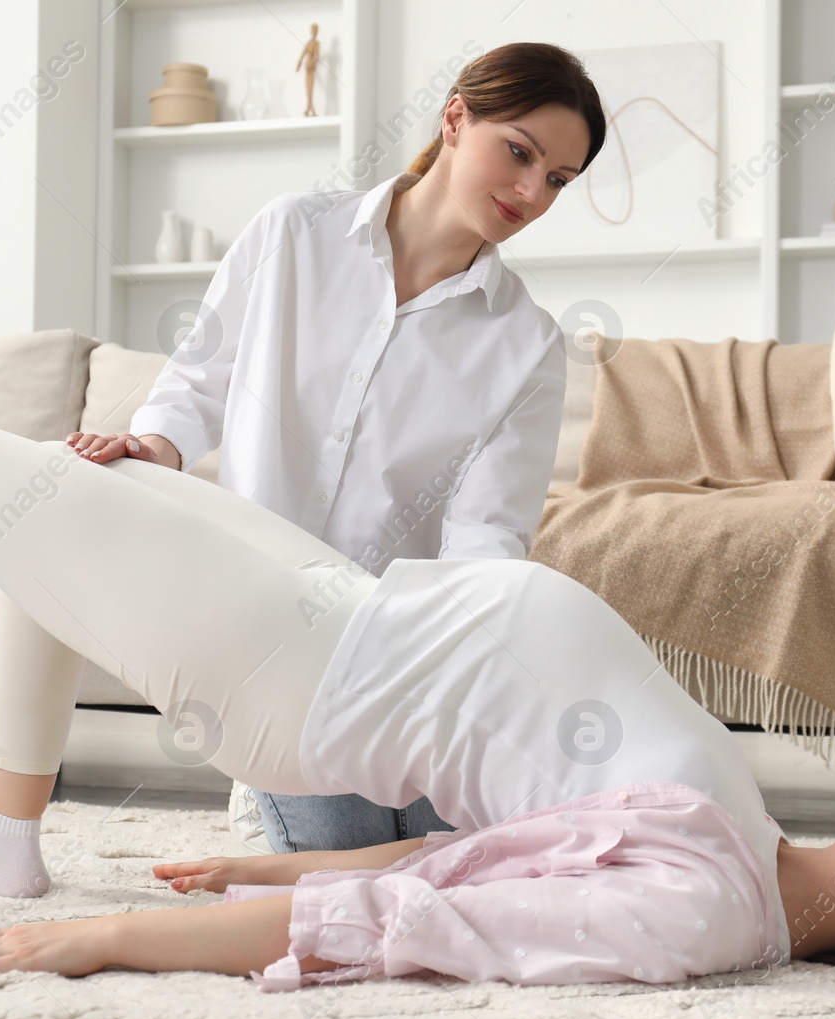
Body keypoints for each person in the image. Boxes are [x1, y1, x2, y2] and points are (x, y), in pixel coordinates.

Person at [0, 420, 835, 989]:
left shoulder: (706, 911)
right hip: (356, 610)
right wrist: (284, 851)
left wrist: (117, 936)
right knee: (70, 477)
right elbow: (475, 852)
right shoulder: (749, 858)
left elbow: (434, 917)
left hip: (312, 673)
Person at [64, 40, 606, 860]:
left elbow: (485, 538)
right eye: (520, 154)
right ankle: (261, 798)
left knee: (444, 869)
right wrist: (152, 445)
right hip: (261, 640)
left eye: (559, 180)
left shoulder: (526, 344)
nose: (532, 193)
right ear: (456, 118)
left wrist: (465, 667)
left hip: (402, 660)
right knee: (341, 874)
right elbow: (198, 384)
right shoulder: (292, 235)